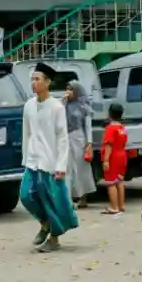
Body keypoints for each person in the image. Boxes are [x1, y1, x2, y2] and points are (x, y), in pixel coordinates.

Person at [19, 62, 78, 253]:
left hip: (50, 162)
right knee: (26, 195)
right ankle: (45, 223)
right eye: (32, 79)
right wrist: (25, 158)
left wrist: (61, 165)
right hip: (32, 160)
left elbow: (62, 138)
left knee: (51, 200)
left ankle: (54, 237)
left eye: (37, 79)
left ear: (48, 82)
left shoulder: (56, 107)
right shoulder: (28, 106)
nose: (34, 83)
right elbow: (26, 133)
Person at [62, 80, 96, 208]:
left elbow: (87, 125)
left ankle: (83, 197)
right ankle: (68, 198)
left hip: (79, 139)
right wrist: (63, 101)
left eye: (71, 89)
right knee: (68, 168)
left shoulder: (83, 106)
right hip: (67, 138)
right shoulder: (64, 105)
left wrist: (89, 143)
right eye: (67, 89)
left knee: (82, 168)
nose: (68, 92)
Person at [101, 103, 128, 216]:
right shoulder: (122, 128)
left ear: (110, 114)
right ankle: (121, 205)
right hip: (122, 155)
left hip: (113, 157)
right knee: (120, 181)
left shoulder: (110, 129)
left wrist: (106, 160)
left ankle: (114, 207)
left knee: (111, 183)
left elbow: (108, 145)